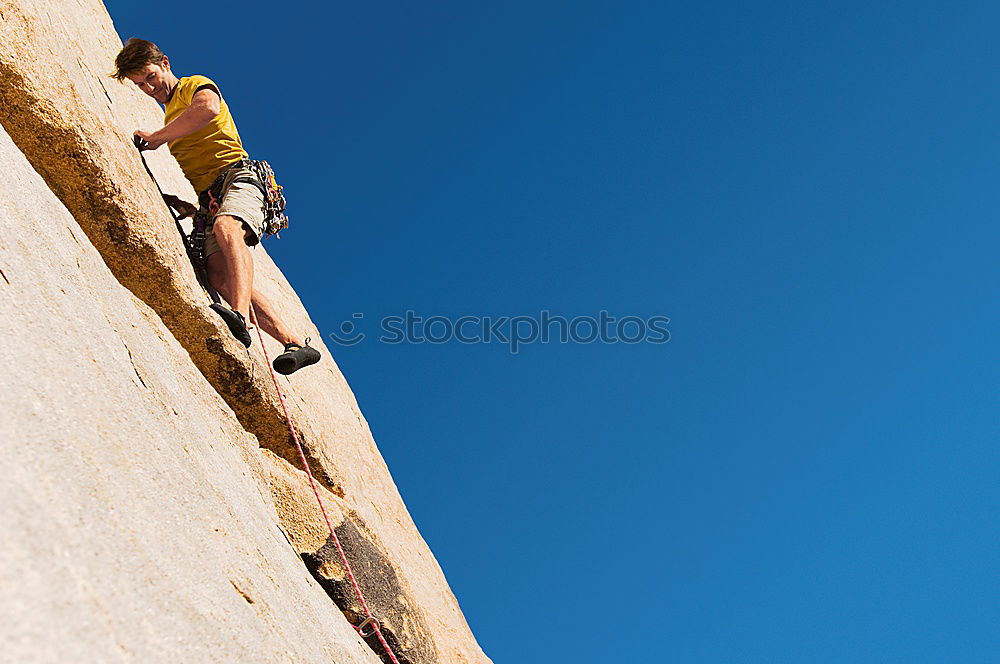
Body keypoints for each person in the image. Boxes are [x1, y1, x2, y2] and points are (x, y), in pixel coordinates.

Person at [112, 38, 320, 375]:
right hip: (210, 197)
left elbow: (208, 109)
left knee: (227, 229)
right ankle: (294, 343)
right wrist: (193, 209)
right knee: (218, 276)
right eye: (140, 85)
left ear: (165, 63)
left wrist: (158, 137)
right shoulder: (171, 114)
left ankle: (238, 315)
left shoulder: (193, 86)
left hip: (239, 177)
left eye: (150, 77)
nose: (148, 88)